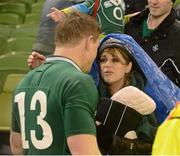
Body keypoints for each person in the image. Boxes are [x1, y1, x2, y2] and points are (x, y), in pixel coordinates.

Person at [10, 12, 101, 155]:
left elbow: (16, 145)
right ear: (89, 42)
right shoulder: (78, 81)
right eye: (97, 46)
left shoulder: (24, 81)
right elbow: (84, 152)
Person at [95, 33, 157, 155]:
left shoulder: (141, 100)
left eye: (115, 60)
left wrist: (114, 143)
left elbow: (150, 146)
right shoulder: (92, 94)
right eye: (103, 60)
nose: (107, 64)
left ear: (128, 67)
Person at [125, 0, 180, 122]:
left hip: (159, 119)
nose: (154, 2)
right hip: (124, 109)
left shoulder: (177, 36)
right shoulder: (130, 26)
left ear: (172, 2)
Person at [47, 0, 126, 36]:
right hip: (121, 38)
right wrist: (127, 18)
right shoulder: (121, 2)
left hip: (103, 39)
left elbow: (82, 7)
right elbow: (115, 20)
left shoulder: (97, 1)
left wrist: (64, 13)